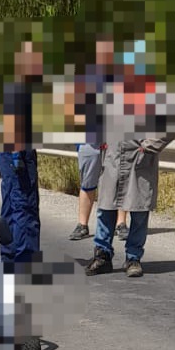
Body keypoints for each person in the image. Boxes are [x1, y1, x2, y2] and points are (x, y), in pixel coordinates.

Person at [85, 42, 175, 278]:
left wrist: (149, 146)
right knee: (106, 205)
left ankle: (133, 257)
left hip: (140, 156)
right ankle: (102, 254)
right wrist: (99, 140)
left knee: (139, 208)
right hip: (115, 153)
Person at [68, 36, 129, 241]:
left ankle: (121, 224)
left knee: (119, 181)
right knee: (88, 182)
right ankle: (82, 224)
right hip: (89, 138)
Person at [0, 39, 43, 267]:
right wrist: (18, 158)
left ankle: (9, 257)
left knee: (12, 207)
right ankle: (23, 261)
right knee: (24, 209)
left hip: (11, 154)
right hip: (18, 155)